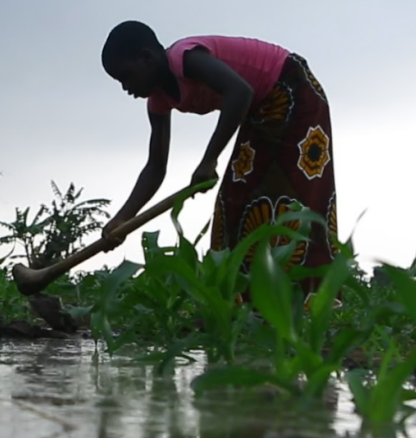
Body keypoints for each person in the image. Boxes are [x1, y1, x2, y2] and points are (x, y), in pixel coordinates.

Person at [99, 21, 342, 296]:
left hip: (292, 89)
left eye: (126, 76)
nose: (125, 87)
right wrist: (122, 220)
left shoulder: (185, 59)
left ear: (146, 58)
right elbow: (155, 167)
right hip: (260, 110)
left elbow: (240, 92)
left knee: (287, 199)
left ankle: (304, 300)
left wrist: (208, 161)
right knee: (235, 204)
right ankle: (239, 302)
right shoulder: (158, 100)